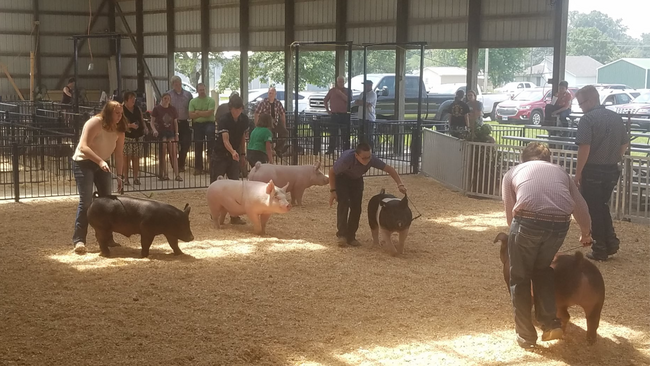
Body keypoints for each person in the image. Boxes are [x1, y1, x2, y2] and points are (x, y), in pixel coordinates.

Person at [502, 142, 593, 349]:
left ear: (523, 159)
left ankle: (526, 336)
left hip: (527, 221)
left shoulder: (512, 172)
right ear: (549, 159)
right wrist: (586, 233)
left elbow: (510, 211)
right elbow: (580, 205)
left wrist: (516, 235)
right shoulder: (561, 173)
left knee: (520, 277)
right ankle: (550, 323)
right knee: (542, 269)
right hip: (559, 224)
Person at [574, 85, 628, 261]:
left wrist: (578, 173)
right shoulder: (616, 118)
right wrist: (614, 157)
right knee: (601, 205)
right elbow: (624, 144)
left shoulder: (587, 120)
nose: (581, 107)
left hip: (593, 169)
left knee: (593, 209)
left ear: (590, 100)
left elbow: (584, 147)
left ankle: (600, 247)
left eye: (581, 103)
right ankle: (610, 241)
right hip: (612, 169)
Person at [71, 101, 126, 254]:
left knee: (107, 202)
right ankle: (79, 240)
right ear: (108, 112)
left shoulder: (120, 129)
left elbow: (119, 154)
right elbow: (83, 146)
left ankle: (107, 238)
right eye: (117, 113)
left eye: (121, 114)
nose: (119, 117)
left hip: (102, 163)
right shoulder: (95, 122)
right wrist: (100, 161)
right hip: (83, 162)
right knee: (87, 201)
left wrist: (120, 176)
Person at [328, 142, 407, 247]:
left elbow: (389, 169)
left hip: (356, 179)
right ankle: (342, 235)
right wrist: (333, 191)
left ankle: (351, 236)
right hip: (342, 178)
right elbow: (332, 172)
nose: (367, 160)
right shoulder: (346, 159)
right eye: (364, 158)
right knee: (344, 203)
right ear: (356, 156)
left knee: (356, 207)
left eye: (369, 157)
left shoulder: (371, 159)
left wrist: (400, 184)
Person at [211, 95, 250, 225]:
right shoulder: (224, 120)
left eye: (239, 109)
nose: (236, 112)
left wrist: (242, 154)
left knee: (235, 185)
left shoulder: (244, 120)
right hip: (220, 154)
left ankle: (234, 216)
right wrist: (233, 151)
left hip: (235, 155)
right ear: (230, 108)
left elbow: (242, 138)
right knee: (218, 184)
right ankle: (215, 215)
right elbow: (225, 139)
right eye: (234, 109)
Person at [150, 93, 182, 182]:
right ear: (162, 99)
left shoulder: (173, 109)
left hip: (171, 132)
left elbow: (175, 122)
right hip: (161, 132)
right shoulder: (157, 109)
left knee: (174, 154)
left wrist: (177, 134)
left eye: (168, 98)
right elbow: (152, 121)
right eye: (165, 98)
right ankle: (165, 174)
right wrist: (154, 130)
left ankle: (177, 174)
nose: (166, 100)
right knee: (163, 154)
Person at [121, 91, 148, 185]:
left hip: (138, 136)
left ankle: (136, 178)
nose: (133, 100)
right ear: (126, 100)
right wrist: (129, 126)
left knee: (136, 158)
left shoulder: (137, 108)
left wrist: (145, 127)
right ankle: (126, 179)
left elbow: (141, 119)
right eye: (131, 98)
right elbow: (119, 124)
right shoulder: (122, 109)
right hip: (127, 137)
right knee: (126, 158)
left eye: (134, 98)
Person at [189, 83, 216, 175]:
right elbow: (191, 115)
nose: (202, 91)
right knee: (198, 145)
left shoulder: (211, 100)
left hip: (209, 123)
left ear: (206, 89)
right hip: (198, 125)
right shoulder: (192, 101)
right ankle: (198, 168)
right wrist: (204, 113)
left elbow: (210, 113)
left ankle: (212, 166)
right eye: (200, 90)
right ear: (197, 90)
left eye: (203, 90)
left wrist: (198, 112)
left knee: (210, 143)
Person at [167, 76, 193, 172]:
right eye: (175, 84)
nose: (178, 85)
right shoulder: (168, 95)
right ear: (172, 85)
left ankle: (181, 162)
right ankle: (174, 165)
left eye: (179, 83)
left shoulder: (188, 94)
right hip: (172, 123)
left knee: (186, 143)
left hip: (184, 122)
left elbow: (191, 107)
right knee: (172, 144)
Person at [254, 87, 289, 156]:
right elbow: (256, 113)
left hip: (275, 122)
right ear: (268, 94)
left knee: (285, 133)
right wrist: (257, 125)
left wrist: (283, 125)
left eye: (272, 93)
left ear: (275, 94)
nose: (271, 95)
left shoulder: (278, 103)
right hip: (266, 124)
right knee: (269, 136)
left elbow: (282, 114)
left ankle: (278, 149)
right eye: (270, 93)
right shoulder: (263, 102)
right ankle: (268, 151)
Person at [324, 76, 350, 153]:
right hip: (334, 115)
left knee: (344, 133)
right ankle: (331, 149)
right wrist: (328, 110)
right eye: (339, 82)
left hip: (344, 115)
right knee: (333, 133)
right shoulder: (332, 91)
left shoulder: (348, 90)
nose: (341, 83)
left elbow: (348, 100)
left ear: (344, 82)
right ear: (337, 82)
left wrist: (340, 93)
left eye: (342, 81)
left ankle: (345, 150)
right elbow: (325, 100)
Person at [354, 80, 378, 148]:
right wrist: (361, 102)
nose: (364, 86)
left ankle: (371, 151)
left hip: (369, 118)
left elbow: (367, 103)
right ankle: (362, 150)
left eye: (366, 85)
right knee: (360, 136)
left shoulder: (372, 94)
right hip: (361, 117)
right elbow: (357, 102)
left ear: (370, 85)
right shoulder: (362, 93)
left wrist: (361, 102)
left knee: (368, 136)